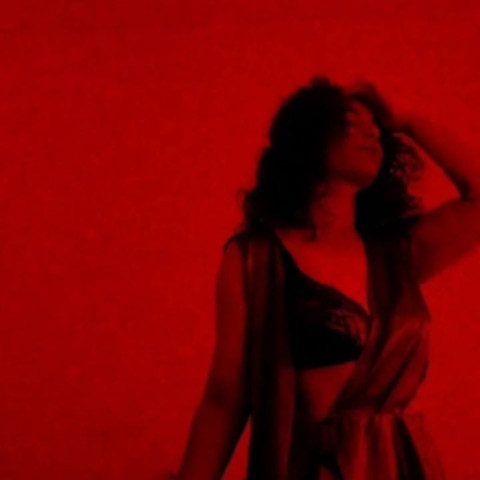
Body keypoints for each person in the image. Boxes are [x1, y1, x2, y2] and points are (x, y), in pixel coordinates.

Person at [171, 77, 480, 480]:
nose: (373, 134)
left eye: (377, 128)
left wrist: (408, 120)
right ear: (311, 138)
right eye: (353, 124)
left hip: (397, 465)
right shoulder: (258, 259)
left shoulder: (395, 257)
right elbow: (226, 396)